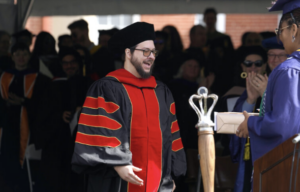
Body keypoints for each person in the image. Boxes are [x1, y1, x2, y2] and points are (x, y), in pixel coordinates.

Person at [71, 22, 186, 192]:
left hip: (157, 181)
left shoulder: (161, 91)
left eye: (154, 51)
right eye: (145, 51)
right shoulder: (107, 88)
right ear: (128, 52)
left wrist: (171, 174)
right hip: (117, 182)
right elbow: (100, 132)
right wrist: (118, 163)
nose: (151, 56)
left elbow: (171, 135)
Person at [236, 0, 300, 168]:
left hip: (288, 168)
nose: (279, 37)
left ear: (293, 30)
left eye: (281, 30)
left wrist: (250, 124)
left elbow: (284, 125)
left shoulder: (289, 70)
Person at [0, 43, 60, 192]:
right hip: (7, 127)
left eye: (25, 54)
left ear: (30, 57)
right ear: (12, 56)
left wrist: (23, 102)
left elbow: (45, 106)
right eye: (18, 54)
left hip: (30, 129)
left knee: (27, 168)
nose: (21, 57)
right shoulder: (3, 77)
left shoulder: (40, 79)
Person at [229, 46, 267, 192]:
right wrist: (250, 100)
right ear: (242, 66)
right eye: (248, 63)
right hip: (247, 155)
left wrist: (265, 95)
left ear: (264, 66)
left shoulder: (275, 89)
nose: (253, 67)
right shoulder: (233, 92)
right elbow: (232, 134)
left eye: (258, 63)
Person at [54, 47, 91, 192]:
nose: (69, 66)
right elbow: (45, 111)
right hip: (60, 141)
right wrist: (59, 115)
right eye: (65, 63)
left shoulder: (90, 83)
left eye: (72, 62)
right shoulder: (54, 84)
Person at [169, 57, 204, 192]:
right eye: (190, 65)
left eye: (196, 66)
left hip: (196, 137)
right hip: (179, 135)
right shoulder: (173, 86)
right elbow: (180, 111)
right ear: (182, 68)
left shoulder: (202, 87)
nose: (193, 69)